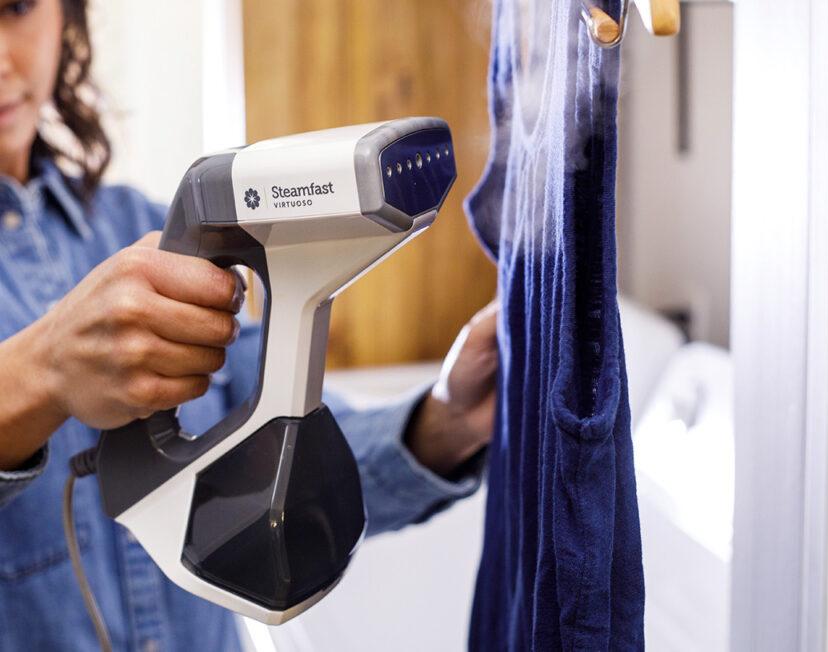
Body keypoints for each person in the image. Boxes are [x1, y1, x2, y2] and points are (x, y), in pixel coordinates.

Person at [0, 0, 497, 649]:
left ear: (67, 16)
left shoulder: (142, 232)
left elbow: (287, 445)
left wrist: (445, 420)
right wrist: (40, 372)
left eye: (15, 8)